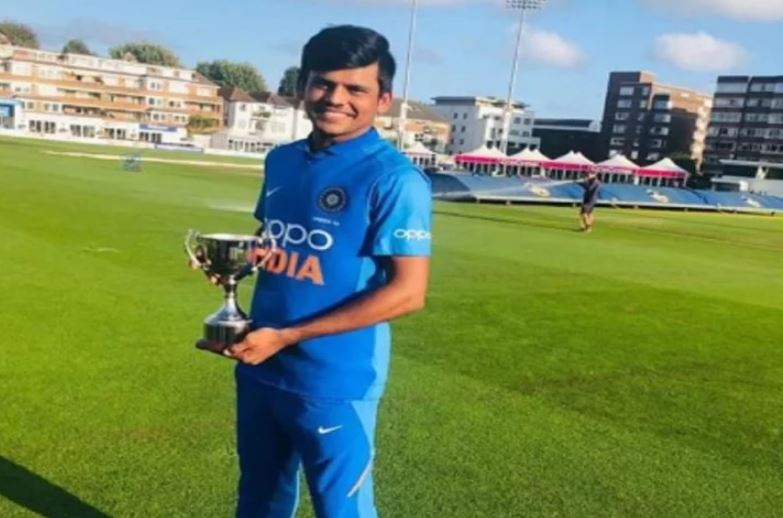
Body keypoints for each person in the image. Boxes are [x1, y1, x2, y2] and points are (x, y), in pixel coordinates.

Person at [224, 25, 432, 518]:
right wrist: (238, 264)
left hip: (336, 380)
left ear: (383, 99)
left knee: (341, 510)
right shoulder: (281, 161)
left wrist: (289, 335)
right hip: (261, 363)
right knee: (259, 498)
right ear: (303, 87)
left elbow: (408, 292)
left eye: (355, 88)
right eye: (323, 83)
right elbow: (274, 240)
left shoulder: (395, 179)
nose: (336, 98)